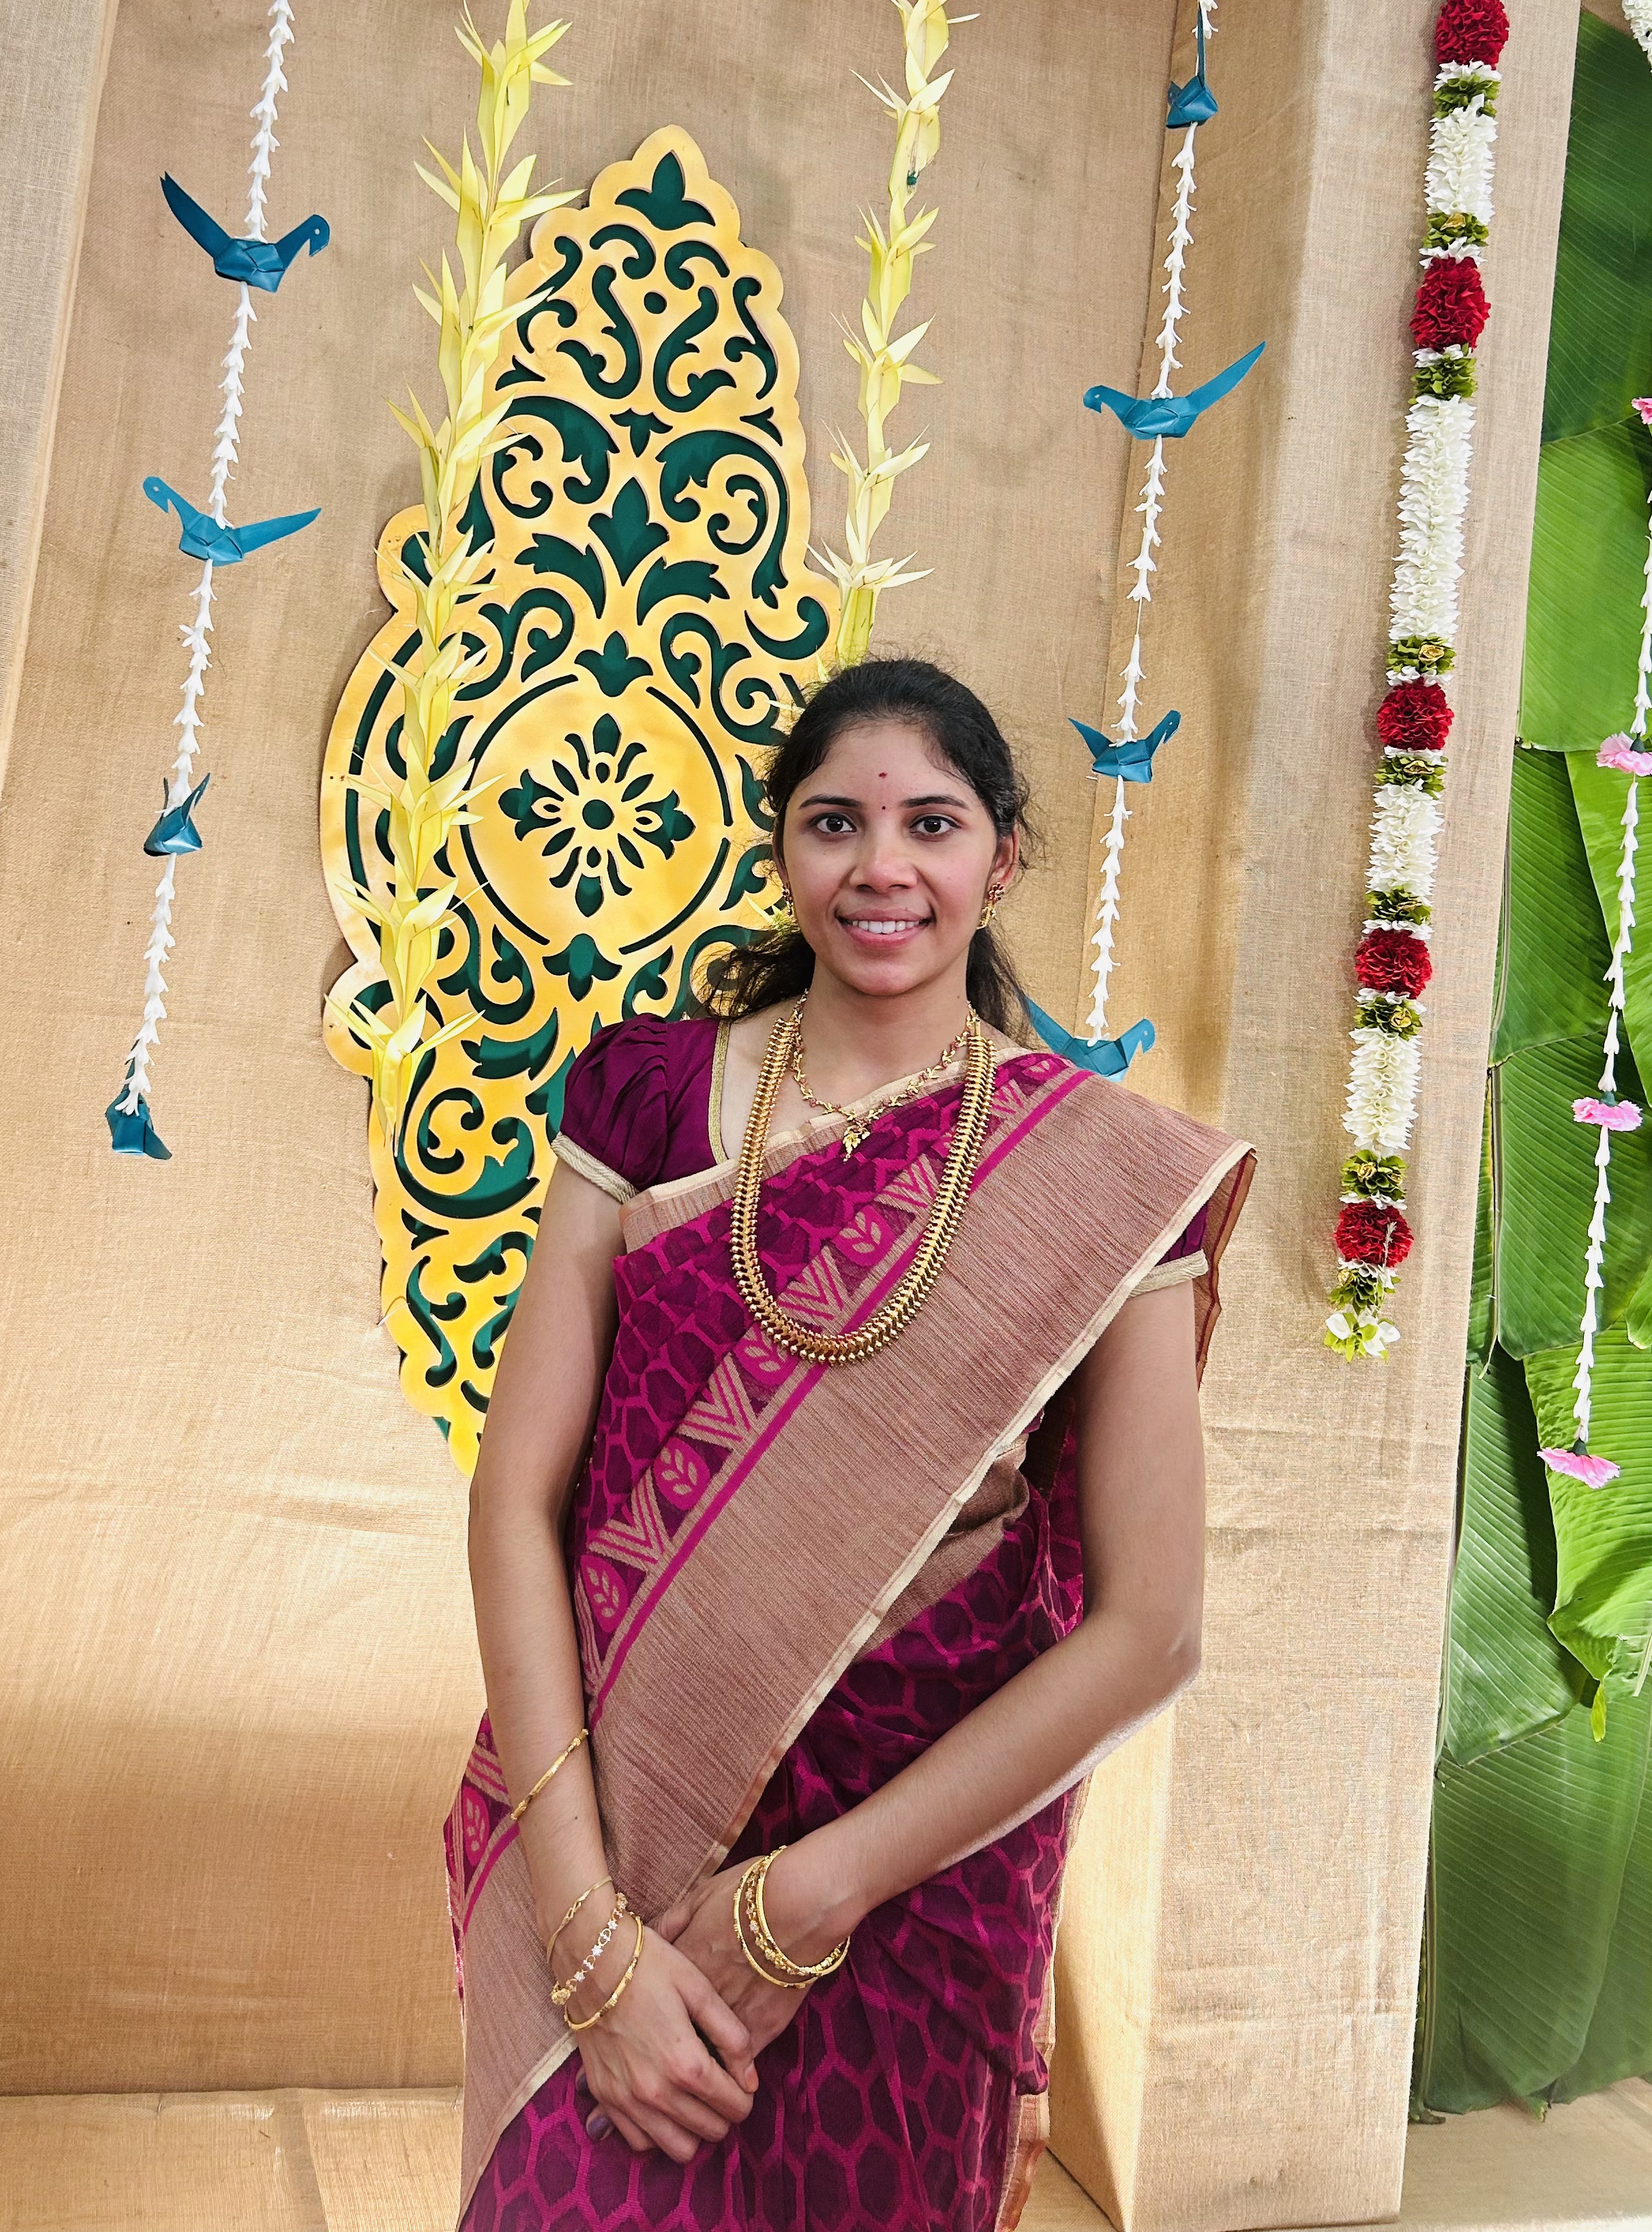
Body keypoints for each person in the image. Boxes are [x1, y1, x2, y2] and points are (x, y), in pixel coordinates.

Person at [448, 657, 1252, 2231]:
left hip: (916, 1885)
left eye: (931, 824)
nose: (882, 866)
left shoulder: (1101, 1176)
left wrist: (814, 1895)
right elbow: (516, 1500)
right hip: (616, 1832)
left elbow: (1153, 1628)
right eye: (836, 823)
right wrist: (583, 1927)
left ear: (1001, 859)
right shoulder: (653, 1096)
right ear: (783, 851)